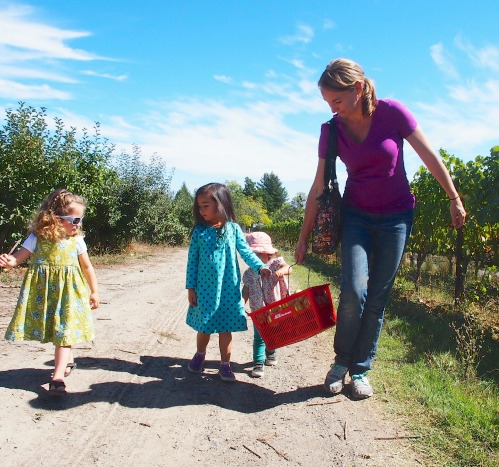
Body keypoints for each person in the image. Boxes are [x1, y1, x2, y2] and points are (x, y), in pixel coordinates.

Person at [295, 58, 467, 400]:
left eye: (337, 101)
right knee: (354, 290)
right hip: (356, 216)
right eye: (327, 102)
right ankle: (341, 362)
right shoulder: (331, 131)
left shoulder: (393, 113)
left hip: (397, 217)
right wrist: (302, 238)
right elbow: (318, 187)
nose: (333, 109)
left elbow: (429, 155)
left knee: (377, 297)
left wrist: (453, 196)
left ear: (358, 89)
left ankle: (361, 369)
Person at [0, 188, 100, 396]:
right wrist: (7, 262)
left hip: (69, 293)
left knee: (64, 332)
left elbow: (87, 267)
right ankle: (67, 361)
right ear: (55, 218)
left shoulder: (76, 240)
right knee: (56, 330)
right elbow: (18, 258)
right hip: (45, 294)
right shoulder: (37, 237)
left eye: (80, 220)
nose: (78, 225)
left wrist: (94, 291)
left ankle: (58, 377)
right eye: (75, 219)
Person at [185, 183, 272, 382]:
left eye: (205, 205)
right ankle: (200, 355)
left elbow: (246, 252)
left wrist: (260, 267)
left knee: (226, 327)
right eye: (199, 206)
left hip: (229, 289)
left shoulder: (233, 230)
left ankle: (225, 365)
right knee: (204, 326)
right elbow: (192, 262)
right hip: (205, 289)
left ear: (220, 204)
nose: (201, 210)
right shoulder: (199, 232)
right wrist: (191, 287)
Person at [241, 232, 291, 378]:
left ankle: (271, 353)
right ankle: (258, 363)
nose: (255, 258)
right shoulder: (249, 273)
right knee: (259, 336)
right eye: (252, 255)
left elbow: (289, 268)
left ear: (267, 253)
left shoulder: (276, 265)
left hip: (275, 308)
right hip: (258, 310)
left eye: (258, 254)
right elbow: (246, 290)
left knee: (273, 333)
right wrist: (241, 303)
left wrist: (281, 272)